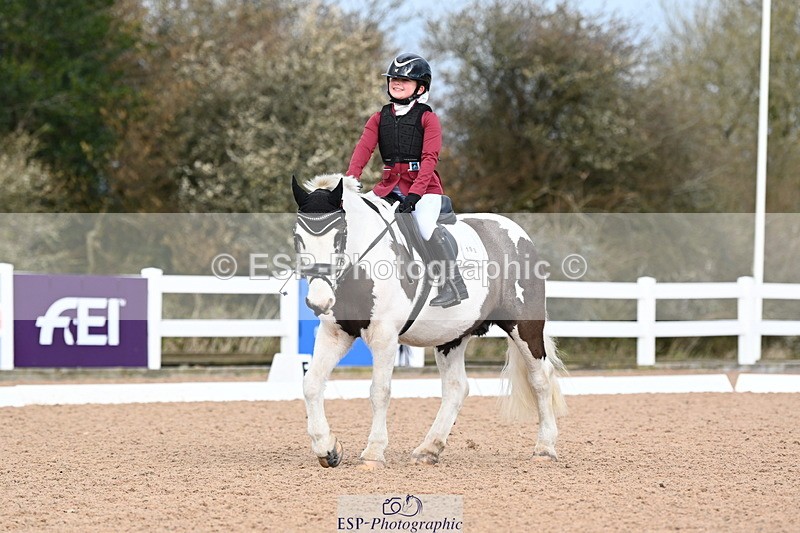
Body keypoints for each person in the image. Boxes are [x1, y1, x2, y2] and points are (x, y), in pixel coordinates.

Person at [346, 53, 468, 308]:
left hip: (424, 189)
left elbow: (429, 158)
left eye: (404, 80)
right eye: (393, 79)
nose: (396, 83)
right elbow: (363, 150)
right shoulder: (379, 118)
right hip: (388, 187)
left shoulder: (428, 118)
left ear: (420, 88)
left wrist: (415, 194)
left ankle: (453, 284)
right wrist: (350, 182)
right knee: (356, 215)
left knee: (424, 226)